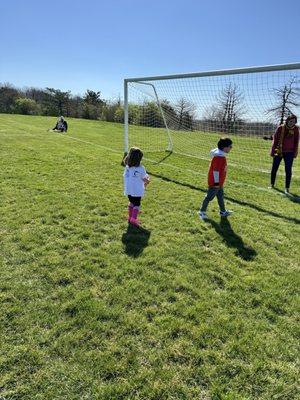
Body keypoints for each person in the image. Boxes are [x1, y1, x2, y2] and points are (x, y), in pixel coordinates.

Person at [198, 138, 233, 220]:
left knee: (220, 197)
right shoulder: (219, 158)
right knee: (209, 197)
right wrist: (217, 184)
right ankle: (201, 211)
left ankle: (223, 212)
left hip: (219, 183)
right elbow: (216, 172)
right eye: (230, 146)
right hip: (215, 183)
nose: (231, 148)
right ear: (224, 148)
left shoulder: (221, 155)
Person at [270, 114, 299, 194]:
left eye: (294, 121)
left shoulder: (296, 129)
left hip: (289, 153)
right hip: (279, 151)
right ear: (287, 120)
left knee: (288, 170)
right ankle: (271, 184)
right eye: (290, 121)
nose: (292, 123)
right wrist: (273, 151)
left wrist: (295, 152)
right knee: (274, 168)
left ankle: (287, 188)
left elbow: (296, 142)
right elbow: (275, 140)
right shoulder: (280, 128)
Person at [123, 147, 150, 227]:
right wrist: (148, 180)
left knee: (131, 202)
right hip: (137, 190)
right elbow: (145, 179)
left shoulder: (128, 167)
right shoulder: (141, 168)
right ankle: (133, 219)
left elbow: (126, 176)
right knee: (137, 204)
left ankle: (130, 217)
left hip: (129, 190)